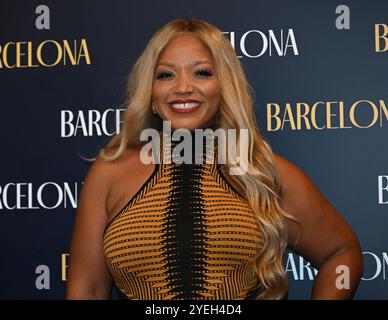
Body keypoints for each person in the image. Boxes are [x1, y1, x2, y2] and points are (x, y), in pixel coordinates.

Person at [66, 18, 363, 300]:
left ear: (224, 86)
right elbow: (87, 290)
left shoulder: (262, 170)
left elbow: (341, 254)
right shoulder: (109, 172)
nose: (183, 87)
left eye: (202, 73)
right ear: (151, 94)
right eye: (166, 74)